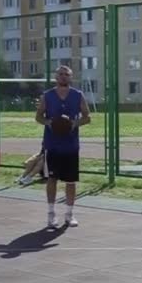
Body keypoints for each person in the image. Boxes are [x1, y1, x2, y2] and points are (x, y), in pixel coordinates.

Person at [35, 65, 91, 228]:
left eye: (67, 74)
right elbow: (38, 117)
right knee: (52, 179)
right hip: (52, 145)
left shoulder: (77, 95)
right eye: (60, 74)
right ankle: (51, 214)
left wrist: (75, 123)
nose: (63, 76)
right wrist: (49, 122)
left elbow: (87, 117)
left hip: (71, 145)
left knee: (71, 181)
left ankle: (69, 214)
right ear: (56, 77)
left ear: (70, 77)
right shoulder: (47, 96)